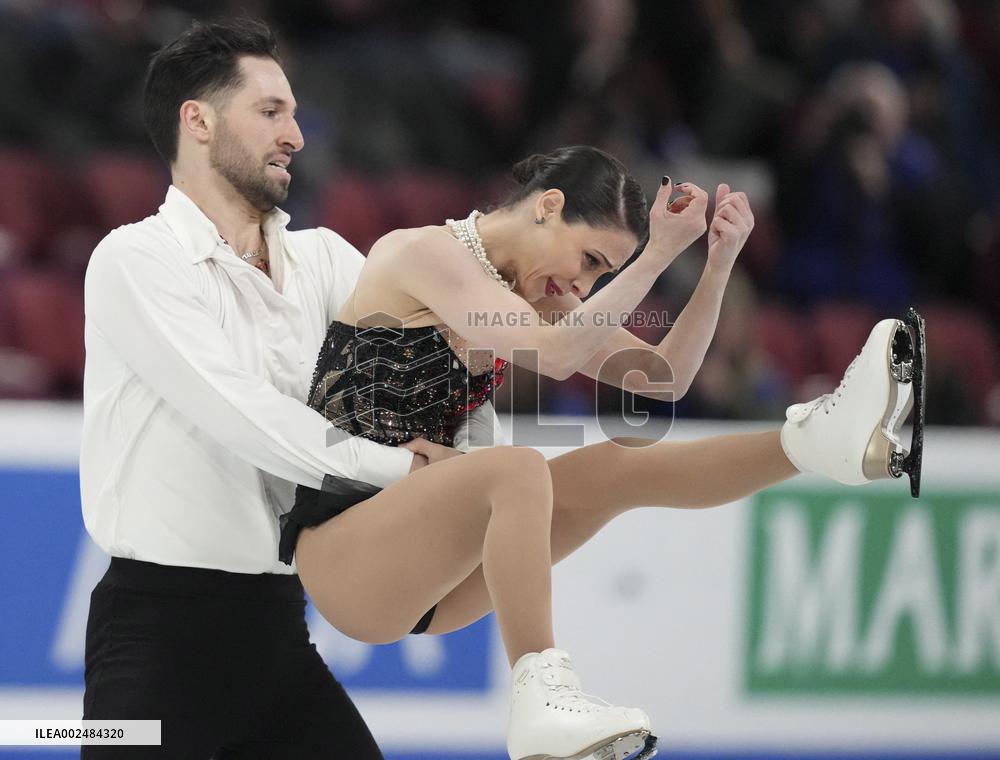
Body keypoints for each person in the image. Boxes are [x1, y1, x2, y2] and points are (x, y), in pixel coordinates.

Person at [280, 145, 925, 760]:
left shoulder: (537, 294)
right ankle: (541, 697)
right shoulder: (425, 254)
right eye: (589, 261)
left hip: (429, 568)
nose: (583, 286)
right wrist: (653, 258)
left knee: (622, 462)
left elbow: (662, 377)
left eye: (601, 275)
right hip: (345, 553)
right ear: (548, 205)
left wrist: (717, 264)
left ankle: (817, 444)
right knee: (519, 470)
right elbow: (555, 354)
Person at [79, 18, 451, 759]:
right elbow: (240, 414)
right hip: (155, 641)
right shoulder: (134, 260)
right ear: (199, 120)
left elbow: (431, 369)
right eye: (272, 111)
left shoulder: (326, 261)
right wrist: (403, 470)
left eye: (294, 112)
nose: (298, 134)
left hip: (279, 627)